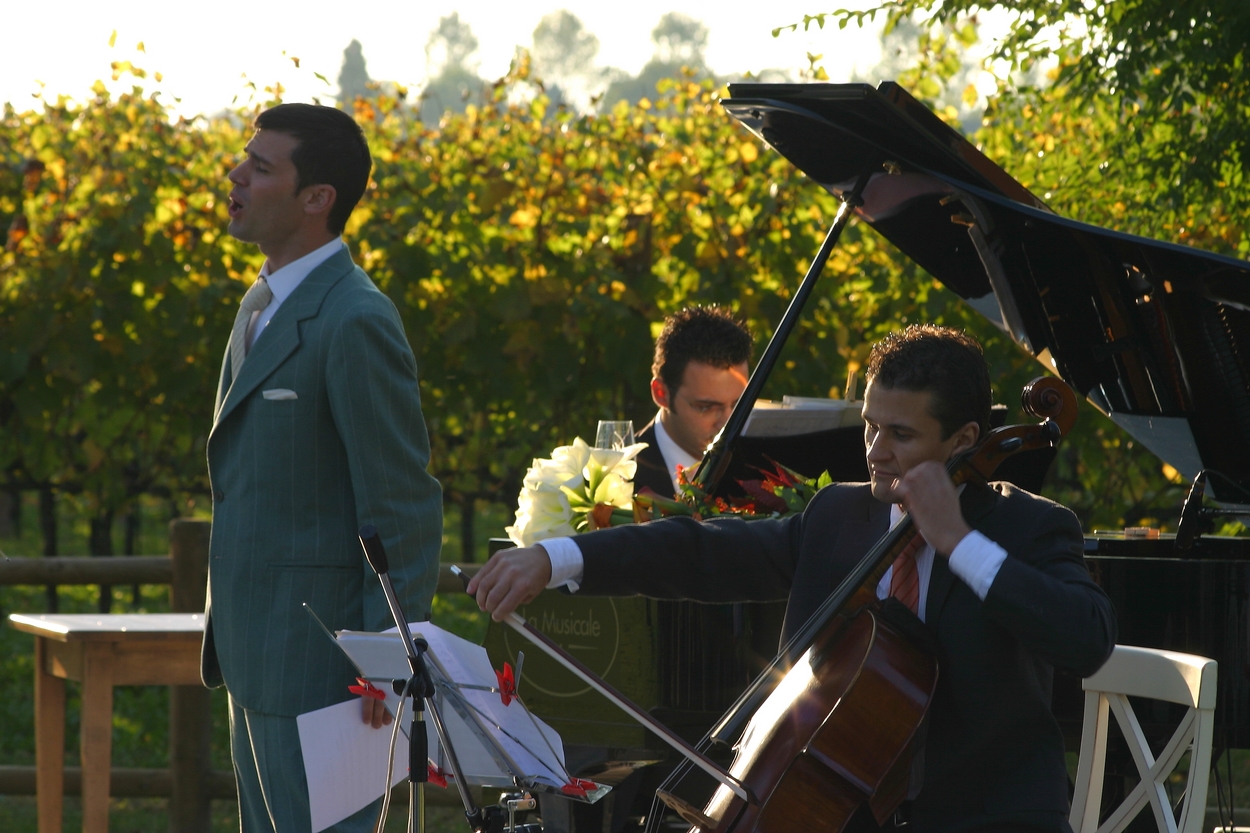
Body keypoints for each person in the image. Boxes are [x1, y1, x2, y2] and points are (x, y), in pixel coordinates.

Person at [469, 324, 1116, 832]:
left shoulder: (1030, 527)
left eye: (900, 433)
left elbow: (1085, 638)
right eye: (869, 424)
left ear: (965, 437)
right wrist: (559, 557)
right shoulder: (843, 513)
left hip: (985, 820)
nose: (874, 451)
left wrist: (960, 543)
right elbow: (704, 551)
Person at [202, 103, 442, 832]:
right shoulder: (262, 304)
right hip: (254, 654)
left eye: (261, 166)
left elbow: (401, 500)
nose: (236, 174)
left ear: (317, 199)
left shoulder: (354, 317)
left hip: (325, 670)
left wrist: (386, 658)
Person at [633, 306, 752, 497]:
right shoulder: (616, 477)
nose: (728, 423)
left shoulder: (762, 471)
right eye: (706, 407)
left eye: (739, 404)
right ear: (661, 393)